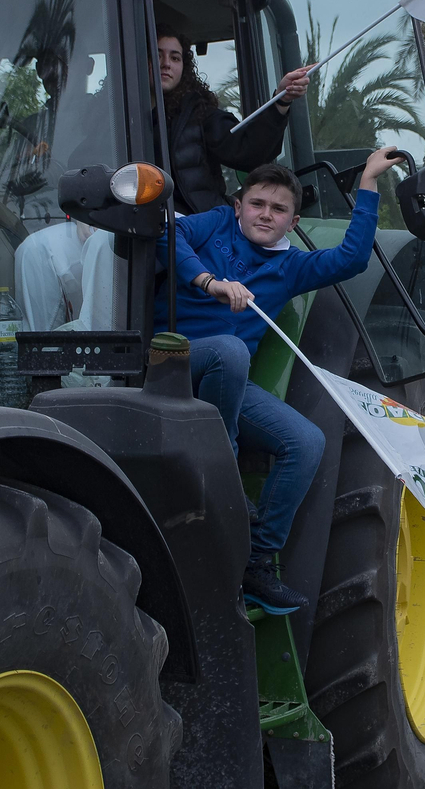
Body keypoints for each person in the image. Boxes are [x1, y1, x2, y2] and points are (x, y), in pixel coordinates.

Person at [156, 147, 402, 614]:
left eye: (279, 209)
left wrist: (368, 182)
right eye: (257, 204)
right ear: (238, 206)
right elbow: (169, 233)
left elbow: (352, 259)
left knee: (306, 441)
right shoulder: (215, 224)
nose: (265, 214)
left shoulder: (289, 267)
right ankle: (225, 480)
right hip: (170, 361)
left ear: (293, 222)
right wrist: (210, 282)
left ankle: (256, 561)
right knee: (230, 350)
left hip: (229, 380)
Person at [156, 26, 312, 216]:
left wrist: (281, 101)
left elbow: (248, 151)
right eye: (157, 55)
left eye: (175, 58)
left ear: (184, 67)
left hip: (196, 222)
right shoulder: (121, 114)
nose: (166, 64)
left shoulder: (199, 113)